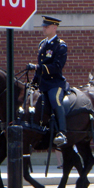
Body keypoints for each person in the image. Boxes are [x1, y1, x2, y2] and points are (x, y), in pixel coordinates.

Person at [27, 16, 68, 147]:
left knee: (54, 99)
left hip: (55, 83)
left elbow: (57, 67)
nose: (44, 28)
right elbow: (40, 66)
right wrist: (33, 83)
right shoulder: (42, 44)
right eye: (44, 26)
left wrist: (37, 67)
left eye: (47, 26)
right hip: (42, 83)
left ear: (54, 27)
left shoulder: (60, 46)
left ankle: (62, 132)